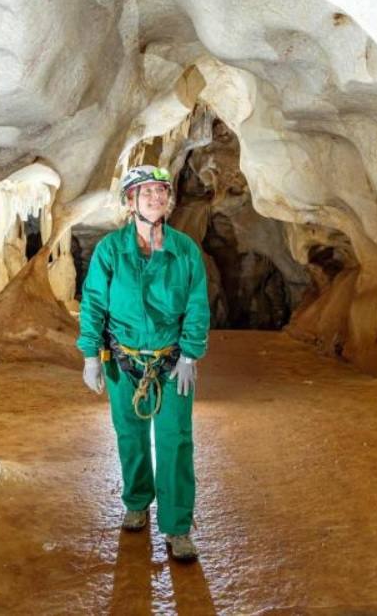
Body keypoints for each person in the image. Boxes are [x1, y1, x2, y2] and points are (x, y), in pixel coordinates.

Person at [77, 164, 211, 562]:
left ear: (168, 200)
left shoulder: (184, 250)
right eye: (146, 192)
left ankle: (177, 526)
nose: (155, 198)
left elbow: (197, 305)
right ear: (130, 201)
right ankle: (137, 501)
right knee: (129, 435)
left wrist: (190, 353)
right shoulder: (111, 250)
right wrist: (90, 355)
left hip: (171, 362)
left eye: (160, 191)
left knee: (175, 440)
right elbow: (94, 303)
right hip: (124, 359)